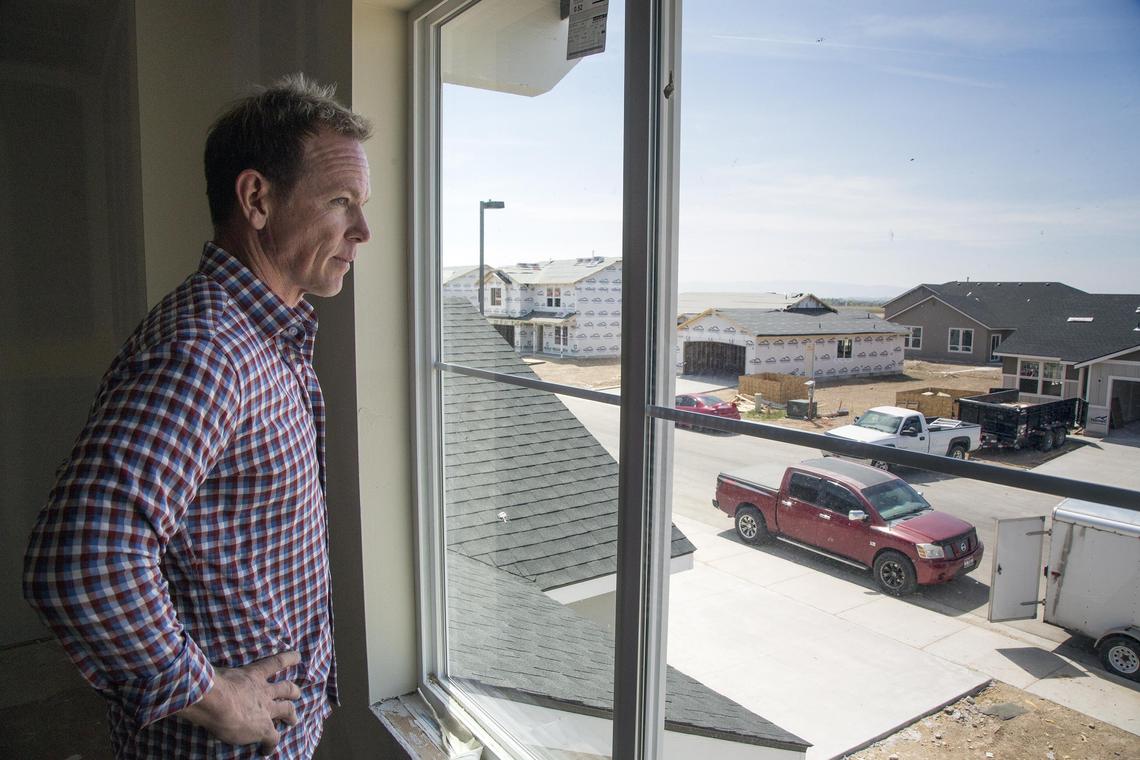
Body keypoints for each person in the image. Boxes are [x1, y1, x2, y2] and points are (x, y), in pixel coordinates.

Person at [23, 73, 372, 759]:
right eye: (341, 202)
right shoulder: (209, 351)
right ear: (256, 199)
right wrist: (215, 698)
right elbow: (81, 560)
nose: (363, 230)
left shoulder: (265, 335)